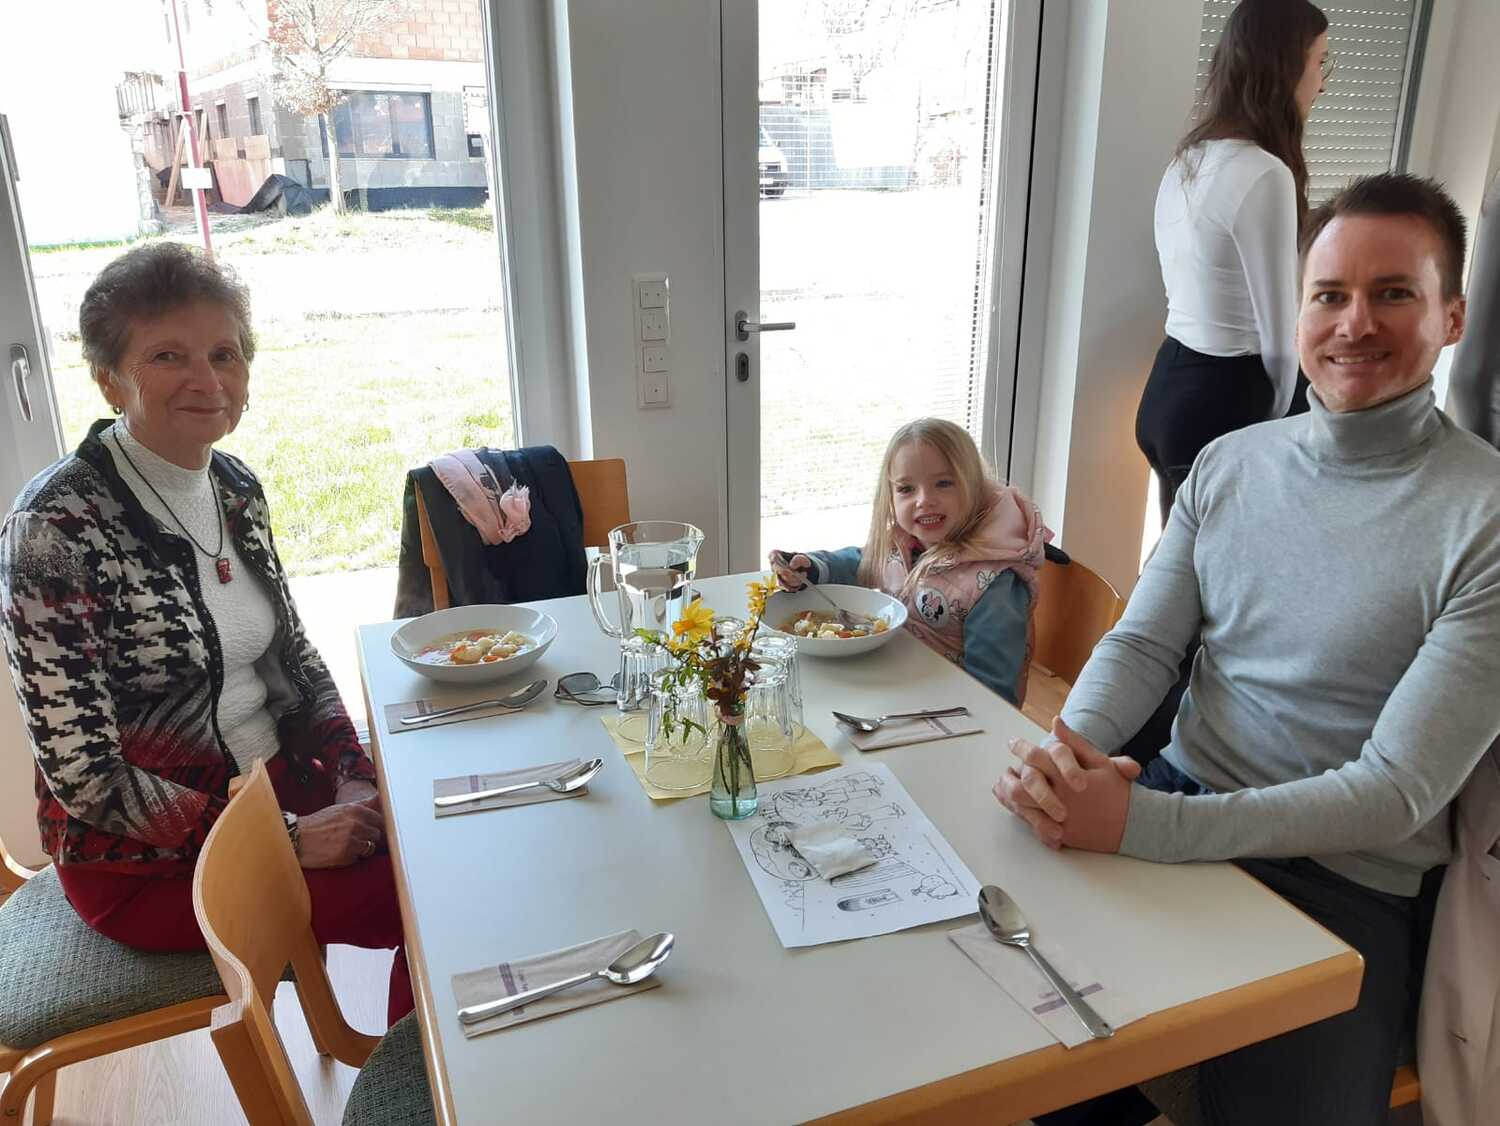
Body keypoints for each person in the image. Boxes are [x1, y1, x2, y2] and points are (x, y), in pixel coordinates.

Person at [995, 173, 1500, 1126]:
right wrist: (1068, 754)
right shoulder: (1231, 463)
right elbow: (1144, 644)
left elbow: (1394, 792)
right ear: (1300, 311)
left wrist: (1139, 826)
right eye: (1329, 294)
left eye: (1394, 292)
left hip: (1344, 883)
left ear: (1453, 317)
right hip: (1178, 802)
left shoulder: (1485, 518)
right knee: (1017, 1062)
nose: (1354, 323)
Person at [0, 242, 412, 1025]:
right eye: (168, 356)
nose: (207, 379)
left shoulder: (233, 487)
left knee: (448, 830)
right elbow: (85, 777)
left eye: (225, 354)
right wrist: (285, 839)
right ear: (109, 378)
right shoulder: (55, 528)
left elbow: (293, 655)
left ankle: (421, 1065)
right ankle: (415, 1083)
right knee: (432, 897)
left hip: (276, 789)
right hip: (148, 862)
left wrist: (352, 773)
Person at [1140, 0, 1330, 525]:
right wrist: (1279, 422)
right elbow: (1280, 336)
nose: (1322, 82)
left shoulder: (1190, 158)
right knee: (1229, 566)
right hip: (1223, 400)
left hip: (1168, 389)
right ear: (1285, 65)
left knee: (1180, 562)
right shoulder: (1265, 173)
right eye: (1320, 62)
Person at [769, 417, 1047, 707]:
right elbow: (861, 563)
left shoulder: (995, 584)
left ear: (975, 487)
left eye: (943, 483)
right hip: (896, 687)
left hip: (947, 713)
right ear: (889, 496)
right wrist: (811, 568)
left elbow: (993, 697)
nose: (924, 500)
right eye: (906, 489)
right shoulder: (902, 542)